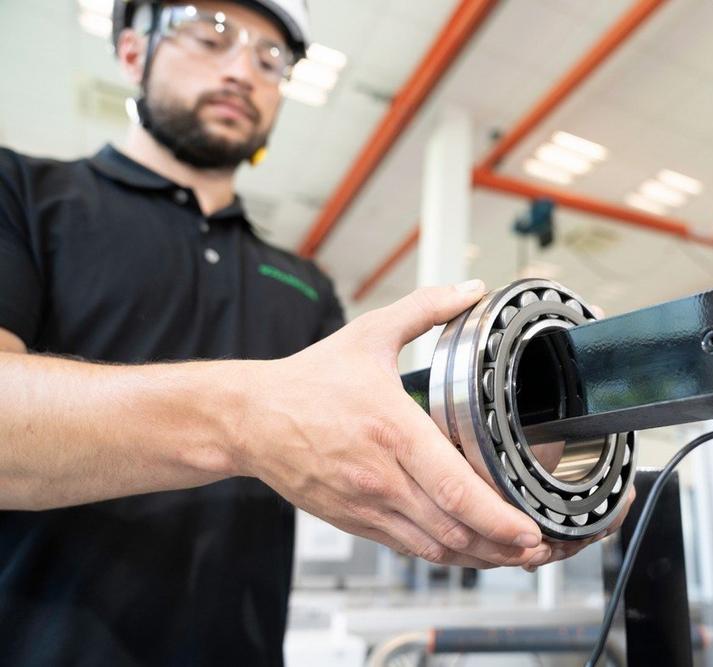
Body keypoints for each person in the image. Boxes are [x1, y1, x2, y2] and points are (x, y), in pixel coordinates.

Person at [0, 1, 631, 664]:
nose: (242, 69)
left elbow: (385, 446)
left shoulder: (303, 284)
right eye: (211, 34)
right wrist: (243, 419)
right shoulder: (23, 196)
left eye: (270, 58)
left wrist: (527, 445)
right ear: (133, 51)